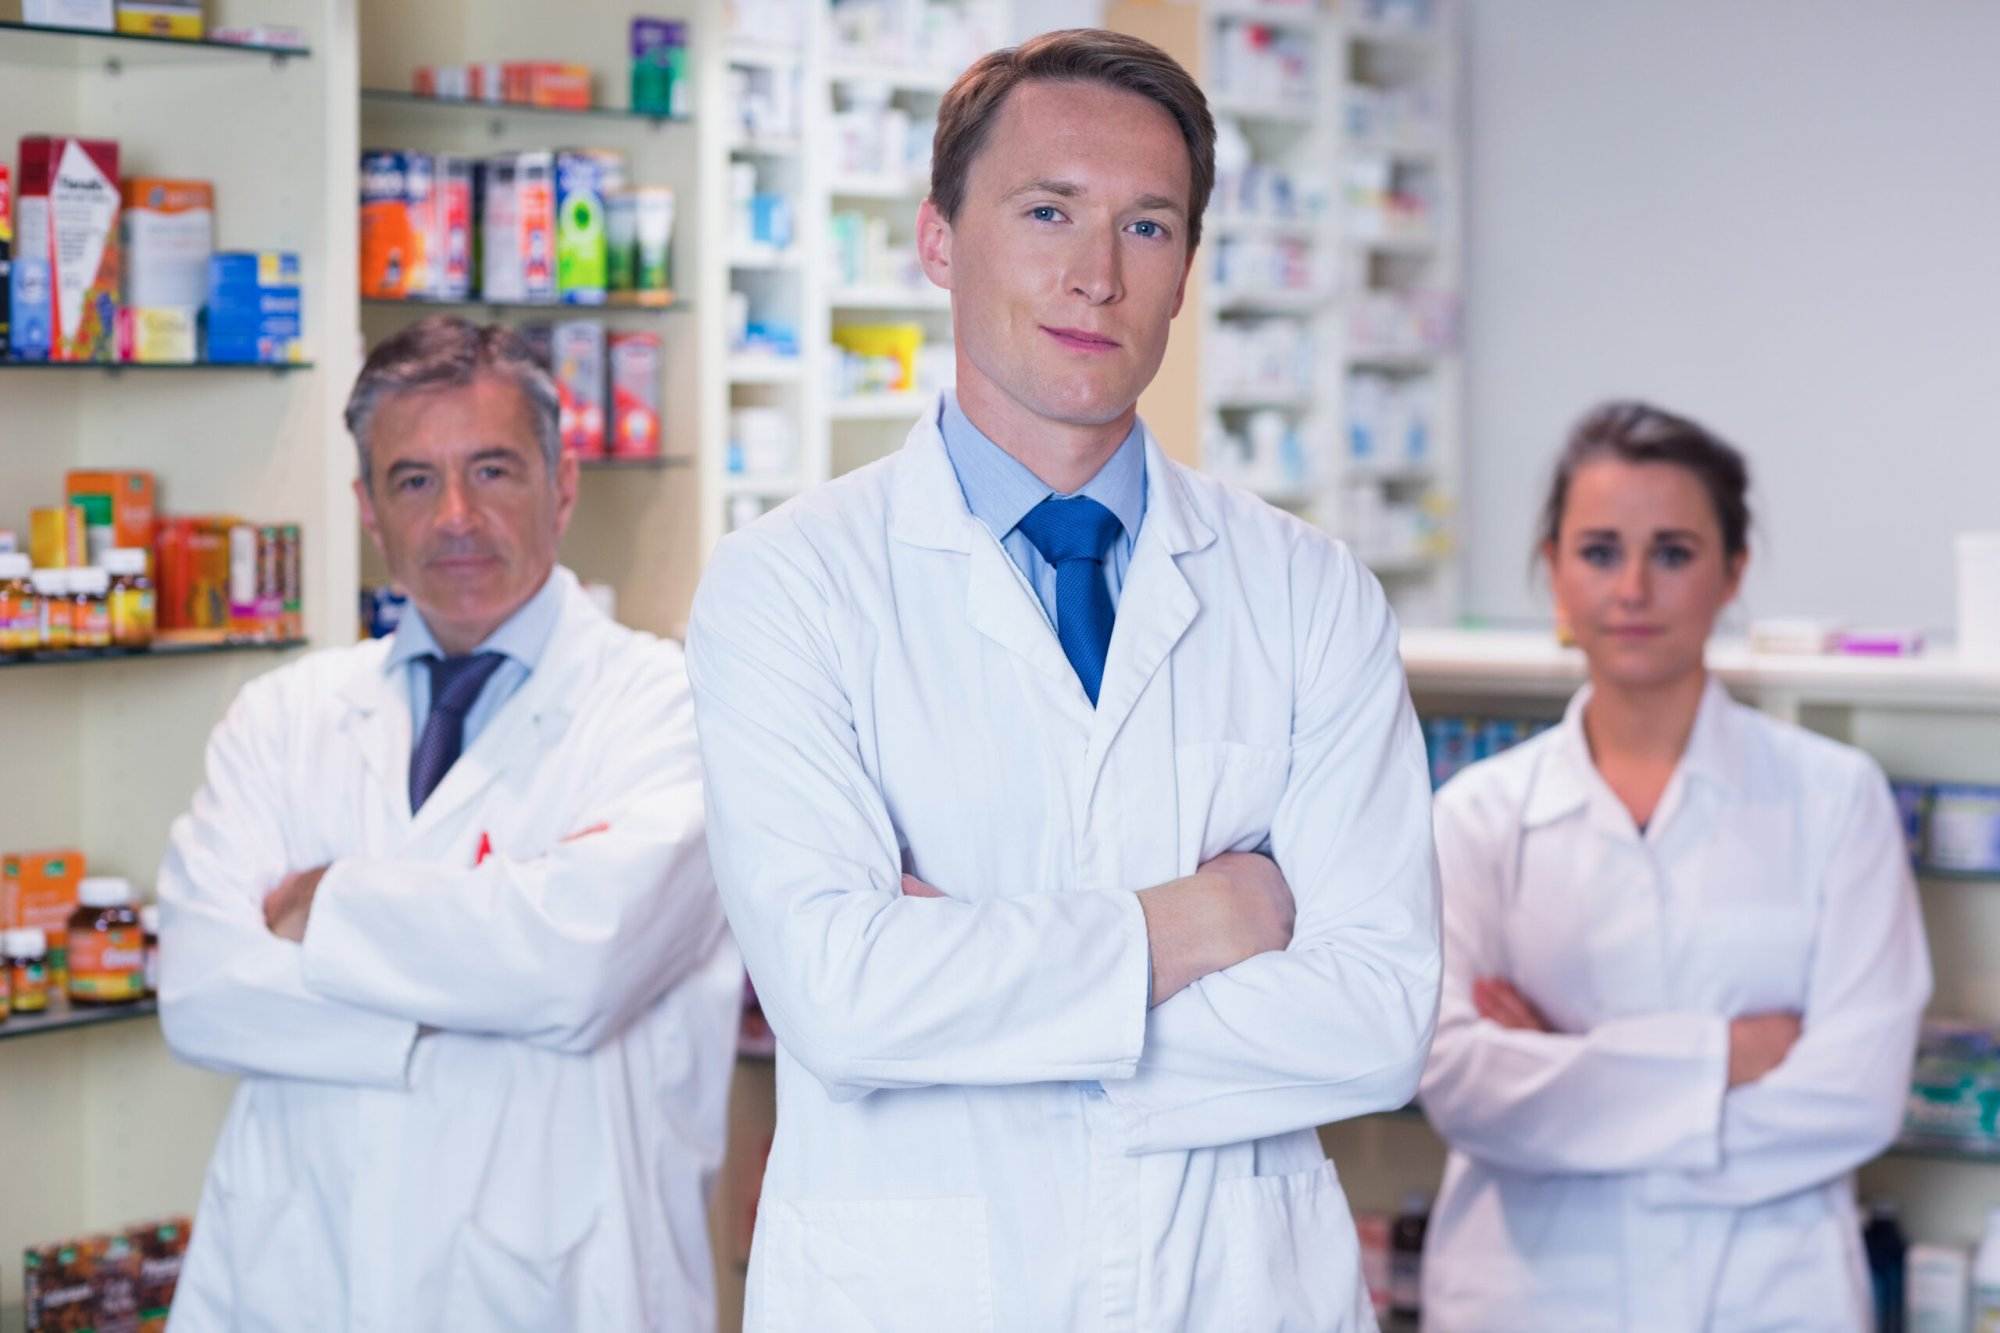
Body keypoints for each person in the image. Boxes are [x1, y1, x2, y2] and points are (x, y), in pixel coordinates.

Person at [686, 29, 1440, 1332]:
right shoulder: (786, 586)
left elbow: (1375, 1023)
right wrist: (1201, 925)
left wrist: (967, 991)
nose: (1096, 276)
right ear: (938, 240)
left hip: (1236, 1293)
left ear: (1187, 270)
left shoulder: (1309, 594)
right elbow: (843, 1000)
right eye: (1049, 212)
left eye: (1148, 227)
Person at [158, 317, 740, 1332]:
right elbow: (203, 989)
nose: (456, 516)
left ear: (562, 486)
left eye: (494, 470)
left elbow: (577, 966)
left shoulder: (676, 707)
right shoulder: (283, 716)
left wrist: (327, 904)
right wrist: (476, 984)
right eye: (414, 480)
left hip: (558, 1290)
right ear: (368, 509)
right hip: (293, 1279)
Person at [1418, 401, 1932, 1329]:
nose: (1633, 589)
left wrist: (1566, 1069)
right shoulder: (1478, 818)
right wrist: (1725, 1058)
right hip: (1532, 1297)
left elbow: (1856, 1098)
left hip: (1766, 1296)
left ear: (1733, 570)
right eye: (1601, 550)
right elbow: (1460, 1084)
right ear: (1554, 571)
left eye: (1675, 551)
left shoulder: (1836, 799)